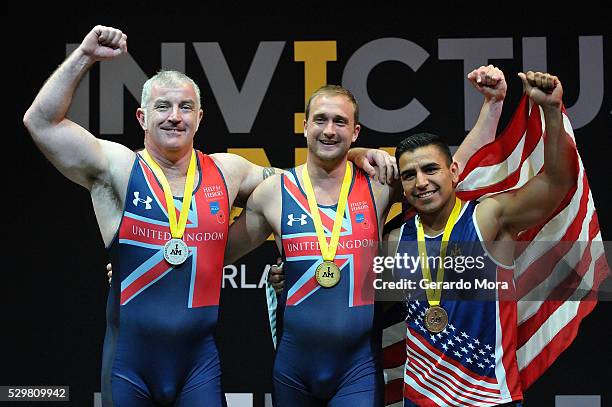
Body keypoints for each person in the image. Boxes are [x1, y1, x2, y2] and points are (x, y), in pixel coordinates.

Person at [23, 25, 394, 407]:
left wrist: (351, 153)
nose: (174, 118)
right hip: (129, 366)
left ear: (200, 117)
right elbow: (41, 123)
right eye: (162, 107)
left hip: (198, 369)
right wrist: (84, 56)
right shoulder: (116, 168)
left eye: (185, 108)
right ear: (141, 117)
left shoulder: (228, 172)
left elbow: (307, 183)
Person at [225, 63, 509, 406]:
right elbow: (215, 256)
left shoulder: (379, 184)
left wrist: (492, 107)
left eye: (340, 122)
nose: (329, 130)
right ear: (304, 126)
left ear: (355, 132)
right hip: (293, 369)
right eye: (321, 120)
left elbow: (450, 170)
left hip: (356, 370)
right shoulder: (273, 193)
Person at [386, 71, 574, 406]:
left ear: (454, 172)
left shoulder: (487, 219)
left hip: (489, 398)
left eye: (431, 169)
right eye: (409, 175)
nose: (421, 182)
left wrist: (551, 111)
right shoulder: (395, 240)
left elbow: (557, 184)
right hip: (420, 399)